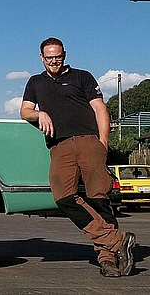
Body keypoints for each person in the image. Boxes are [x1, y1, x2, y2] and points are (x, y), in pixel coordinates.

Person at [20, 37, 135, 278]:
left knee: (98, 198)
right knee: (63, 196)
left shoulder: (82, 77)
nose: (54, 61)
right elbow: (25, 110)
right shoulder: (34, 82)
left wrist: (103, 143)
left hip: (88, 140)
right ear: (41, 57)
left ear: (64, 55)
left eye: (58, 56)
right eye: (49, 57)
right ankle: (117, 240)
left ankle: (108, 259)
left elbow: (100, 108)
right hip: (60, 145)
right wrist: (39, 114)